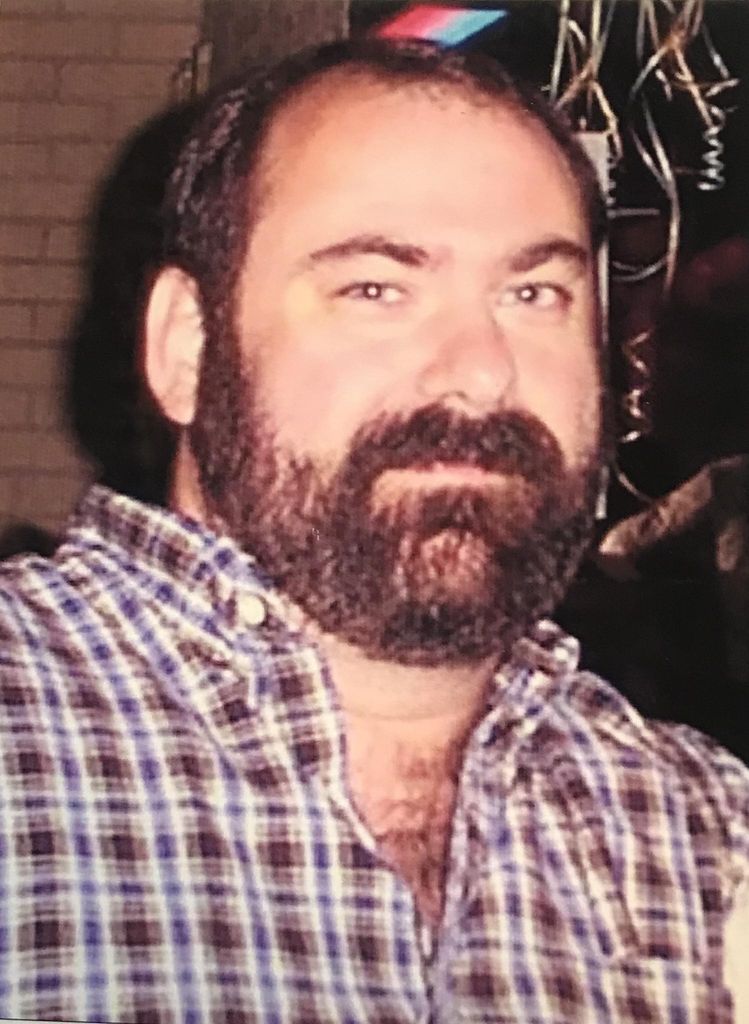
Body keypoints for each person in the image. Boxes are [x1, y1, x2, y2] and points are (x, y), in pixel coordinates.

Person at [0, 37, 747, 1024]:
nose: (480, 371)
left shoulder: (703, 835)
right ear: (186, 347)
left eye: (532, 294)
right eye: (375, 288)